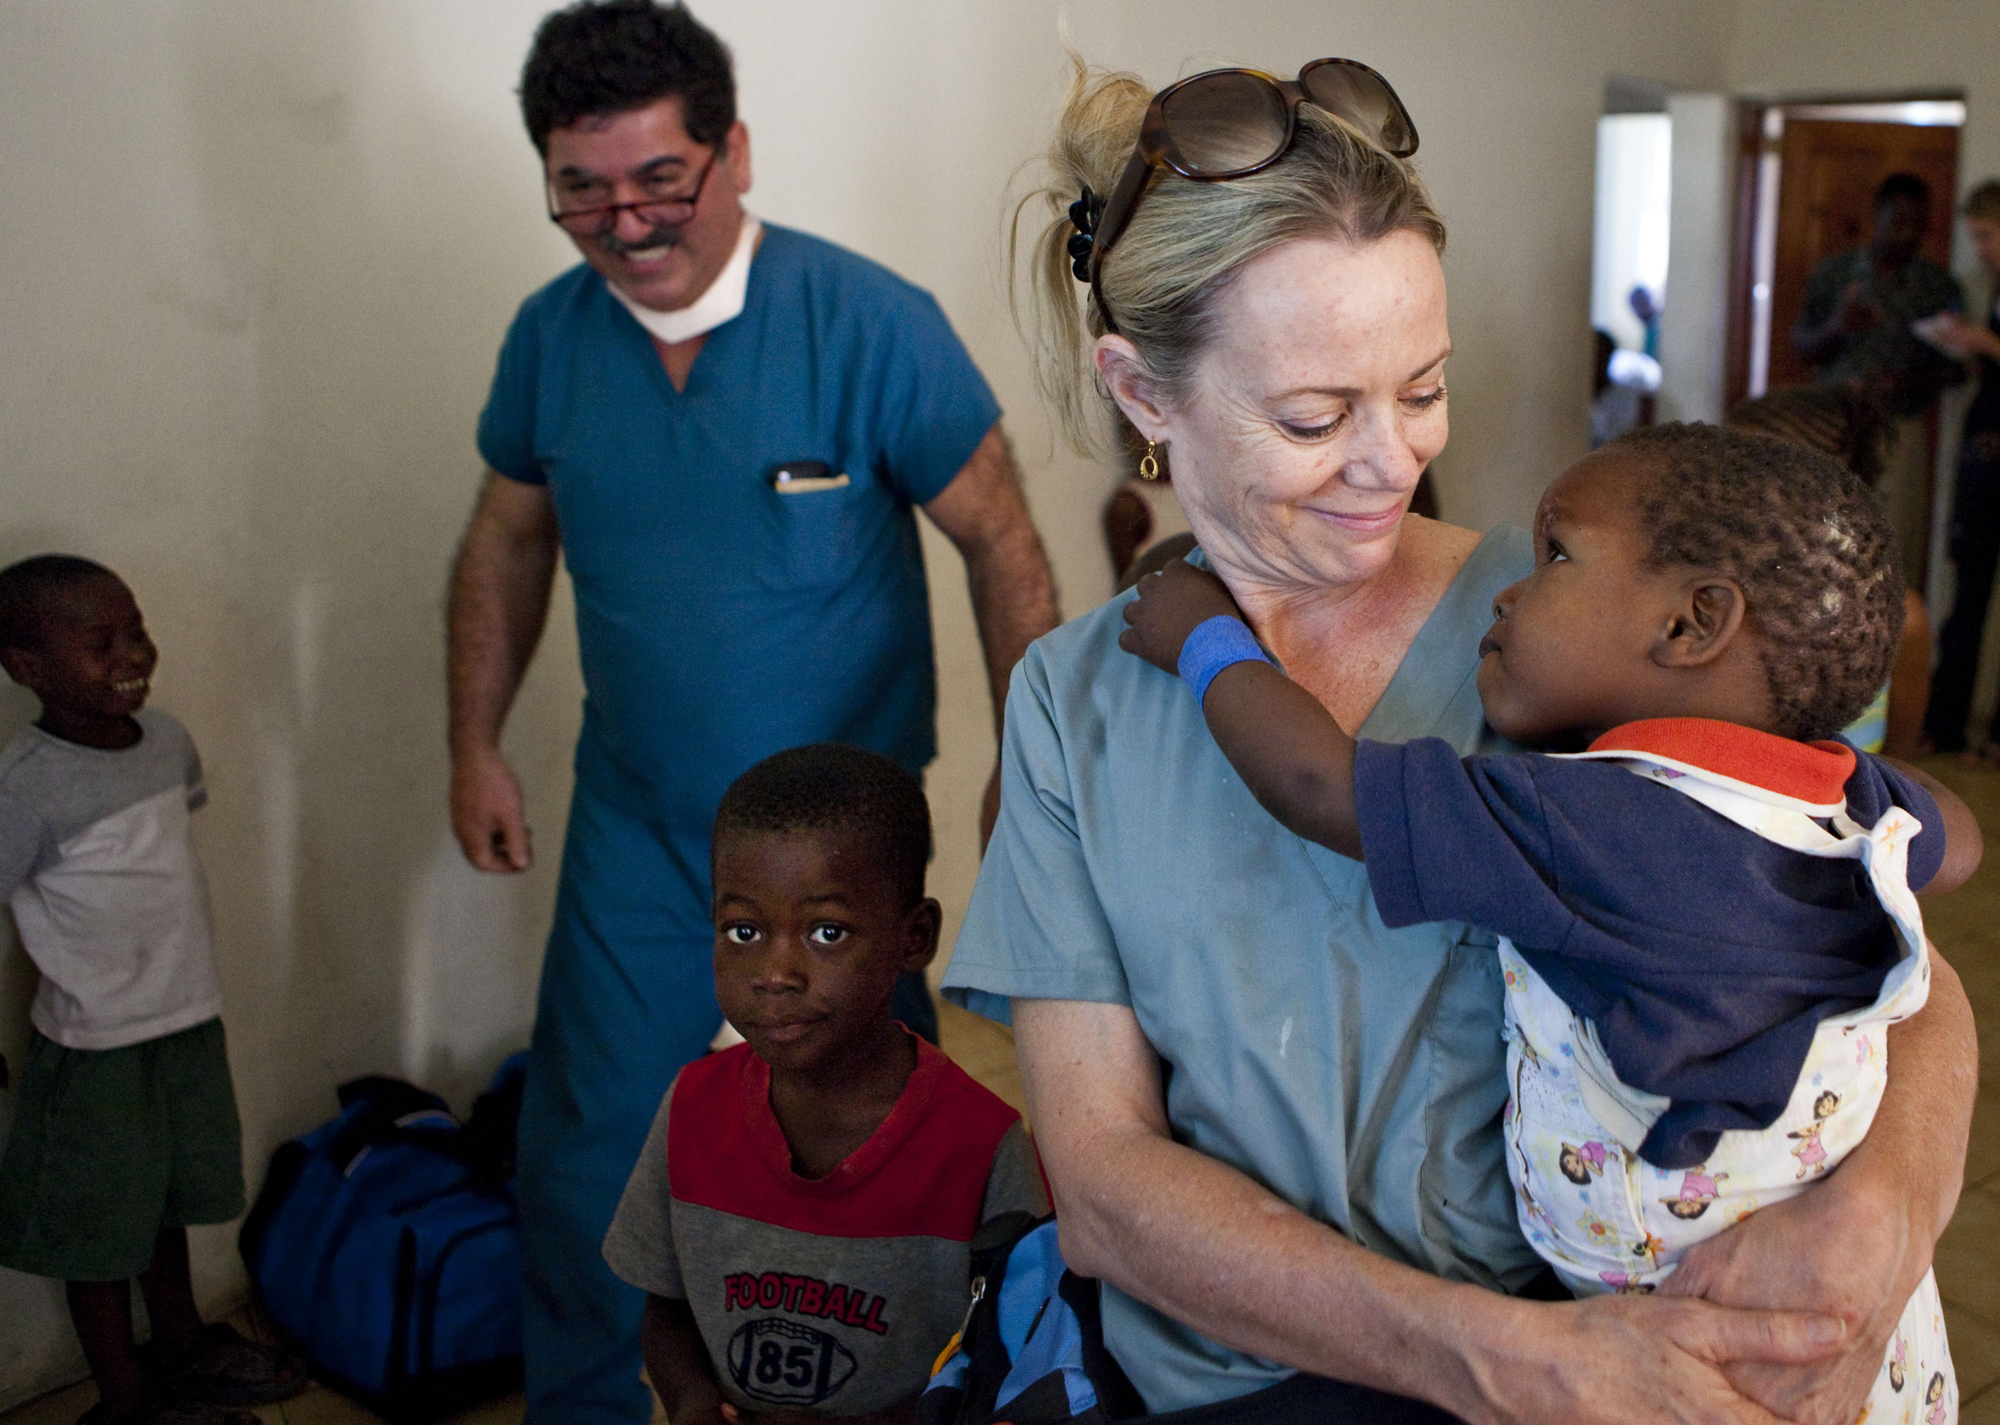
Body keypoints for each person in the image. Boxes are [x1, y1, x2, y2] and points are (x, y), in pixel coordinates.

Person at [944, 59, 1977, 1423]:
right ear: (1144, 394)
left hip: (1622, 1358)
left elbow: (1880, 944)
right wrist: (1506, 1361)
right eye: (1316, 416)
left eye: (1422, 389)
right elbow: (1109, 1188)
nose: (1391, 461)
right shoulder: (1079, 704)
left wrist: (1888, 1207)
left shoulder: (1587, 633)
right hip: (1256, 1379)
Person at [446, 4, 1059, 1419]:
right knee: (590, 1149)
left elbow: (1006, 541)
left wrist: (1028, 774)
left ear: (735, 153)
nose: (625, 220)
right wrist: (474, 740)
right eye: (582, 187)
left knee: (873, 1157)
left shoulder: (869, 324)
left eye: (659, 177)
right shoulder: (551, 341)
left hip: (845, 848)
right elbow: (504, 541)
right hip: (644, 828)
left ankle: (897, 1397)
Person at [1119, 422, 1970, 1420]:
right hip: (1883, 1348)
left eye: (1554, 554)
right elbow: (1955, 844)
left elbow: (1316, 783)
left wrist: (1202, 638)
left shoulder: (1595, 824)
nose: (1505, 593)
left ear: (1690, 627)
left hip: (1706, 1356)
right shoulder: (1839, 800)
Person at [602, 745, 1047, 1423]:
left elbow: (1019, 1359)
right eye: (743, 930)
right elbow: (667, 1305)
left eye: (826, 931)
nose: (775, 971)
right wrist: (691, 1401)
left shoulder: (983, 1147)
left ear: (914, 937)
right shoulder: (692, 1108)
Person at [0, 557, 307, 1425]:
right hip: (94, 1047)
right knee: (100, 1232)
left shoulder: (167, 742)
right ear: (27, 666)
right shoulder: (23, 785)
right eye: (101, 642)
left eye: (135, 629)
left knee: (165, 1198)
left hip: (183, 1019)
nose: (134, 652)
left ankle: (180, 1348)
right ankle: (127, 1401)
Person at [1724, 383, 1931, 757]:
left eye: (1746, 472)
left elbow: (1895, 768)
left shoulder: (1901, 619)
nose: (1723, 485)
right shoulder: (1704, 594)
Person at [1793, 171, 1964, 583]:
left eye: (1916, 224)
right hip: (1831, 426)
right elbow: (1800, 347)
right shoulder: (1836, 273)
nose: (1906, 234)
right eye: (1897, 221)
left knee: (1891, 543)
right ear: (1877, 216)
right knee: (1819, 537)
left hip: (1897, 429)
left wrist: (1906, 382)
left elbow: (1957, 369)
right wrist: (1836, 326)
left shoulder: (1937, 286)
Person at [1917, 180, 2000, 758]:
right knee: (1966, 586)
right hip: (1985, 448)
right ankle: (1945, 727)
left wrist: (1983, 342)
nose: (1982, 250)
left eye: (1988, 236)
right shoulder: (1990, 288)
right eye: (1975, 238)